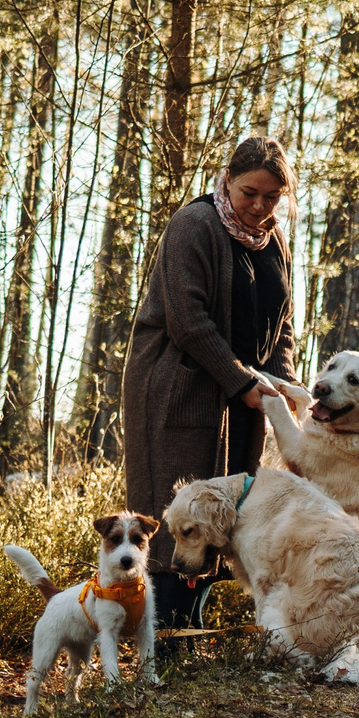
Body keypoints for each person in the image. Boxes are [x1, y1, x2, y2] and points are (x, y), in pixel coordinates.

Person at [120, 133, 295, 628]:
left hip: (243, 397)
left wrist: (283, 387)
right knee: (178, 509)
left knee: (225, 511)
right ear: (227, 181)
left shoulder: (274, 240)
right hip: (182, 391)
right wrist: (243, 383)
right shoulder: (194, 225)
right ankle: (163, 634)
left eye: (271, 196)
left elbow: (282, 325)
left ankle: (192, 628)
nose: (259, 206)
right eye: (249, 193)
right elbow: (188, 322)